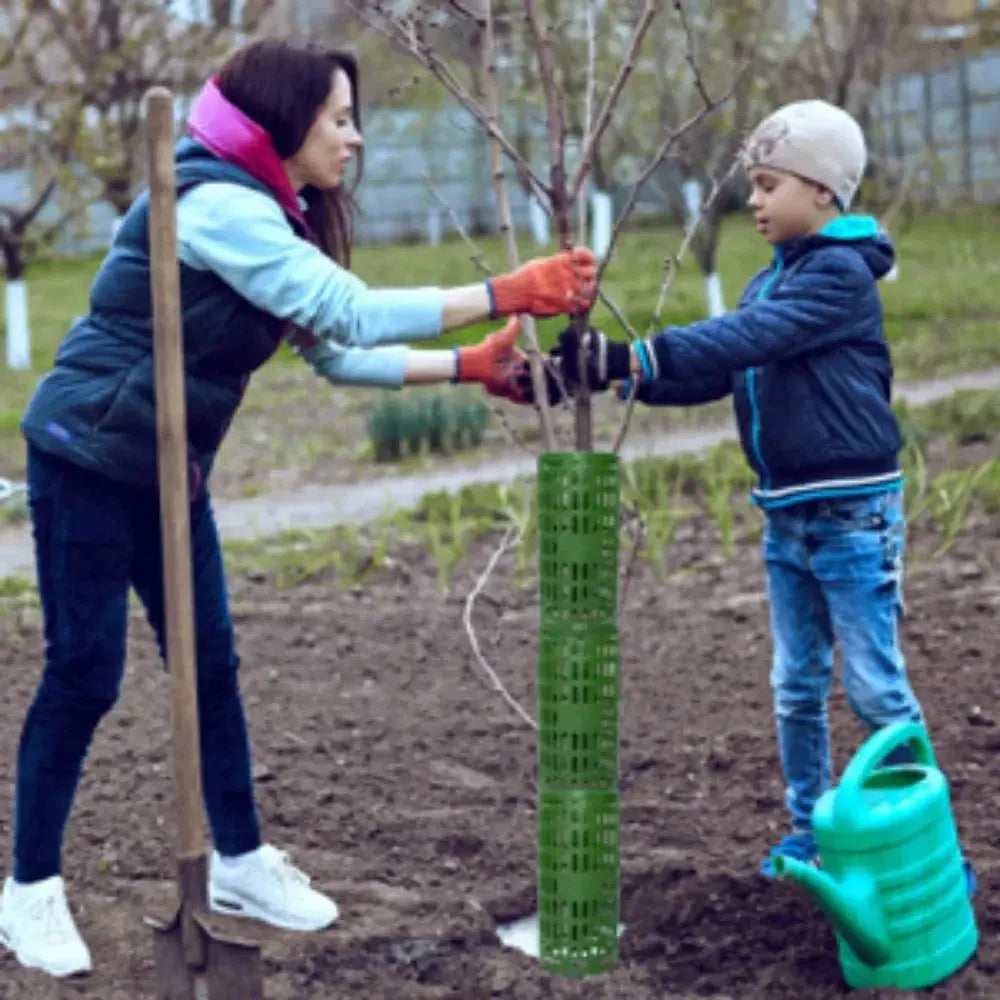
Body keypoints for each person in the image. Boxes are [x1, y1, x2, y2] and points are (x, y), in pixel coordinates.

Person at [0, 39, 596, 979]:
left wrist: (469, 363)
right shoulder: (215, 205)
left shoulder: (275, 216)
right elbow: (348, 310)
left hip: (169, 462)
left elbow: (332, 350)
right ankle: (28, 890)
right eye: (340, 119)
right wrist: (500, 294)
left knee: (212, 661)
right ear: (285, 124)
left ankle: (237, 863)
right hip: (88, 454)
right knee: (86, 671)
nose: (355, 139)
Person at [508, 100, 977, 889]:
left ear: (824, 192)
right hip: (787, 514)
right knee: (796, 685)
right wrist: (595, 375)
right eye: (751, 185)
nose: (753, 200)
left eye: (768, 184)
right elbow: (725, 369)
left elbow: (748, 339)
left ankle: (928, 848)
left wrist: (634, 354)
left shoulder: (837, 278)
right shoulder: (771, 280)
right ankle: (810, 830)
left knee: (872, 685)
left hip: (852, 515)